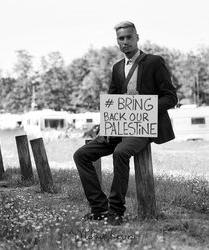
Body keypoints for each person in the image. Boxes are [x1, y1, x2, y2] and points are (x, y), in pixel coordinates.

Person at [73, 21, 178, 225]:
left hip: (143, 128)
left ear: (137, 37)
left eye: (129, 37)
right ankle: (99, 209)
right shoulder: (117, 67)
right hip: (119, 127)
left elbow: (171, 97)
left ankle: (116, 211)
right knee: (82, 155)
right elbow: (112, 101)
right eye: (121, 38)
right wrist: (105, 129)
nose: (126, 41)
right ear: (117, 42)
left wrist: (144, 105)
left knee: (121, 152)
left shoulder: (155, 62)